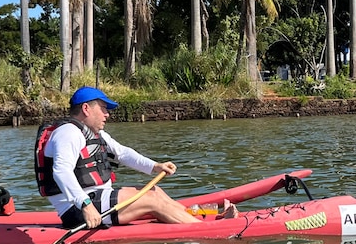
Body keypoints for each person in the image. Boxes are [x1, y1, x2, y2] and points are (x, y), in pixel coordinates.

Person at [35, 86, 235, 230]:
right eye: (103, 109)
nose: (107, 114)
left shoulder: (94, 133)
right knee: (151, 201)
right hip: (78, 210)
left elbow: (122, 153)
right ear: (86, 109)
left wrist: (155, 166)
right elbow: (61, 171)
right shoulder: (68, 133)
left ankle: (208, 219)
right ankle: (207, 230)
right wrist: (85, 206)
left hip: (97, 199)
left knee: (155, 191)